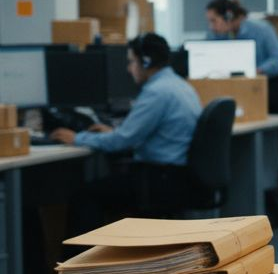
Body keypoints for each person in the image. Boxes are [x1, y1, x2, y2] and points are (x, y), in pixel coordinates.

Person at [53, 34, 203, 233]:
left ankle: (83, 253)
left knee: (83, 196)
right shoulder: (180, 85)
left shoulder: (157, 92)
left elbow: (122, 141)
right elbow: (136, 134)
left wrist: (77, 138)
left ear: (146, 62)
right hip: (177, 178)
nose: (128, 68)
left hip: (159, 180)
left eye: (132, 61)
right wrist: (116, 132)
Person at [204, 0, 278, 114]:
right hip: (240, 89)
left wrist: (256, 71)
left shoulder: (261, 29)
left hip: (272, 87)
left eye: (214, 21)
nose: (211, 27)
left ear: (228, 17)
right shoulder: (215, 35)